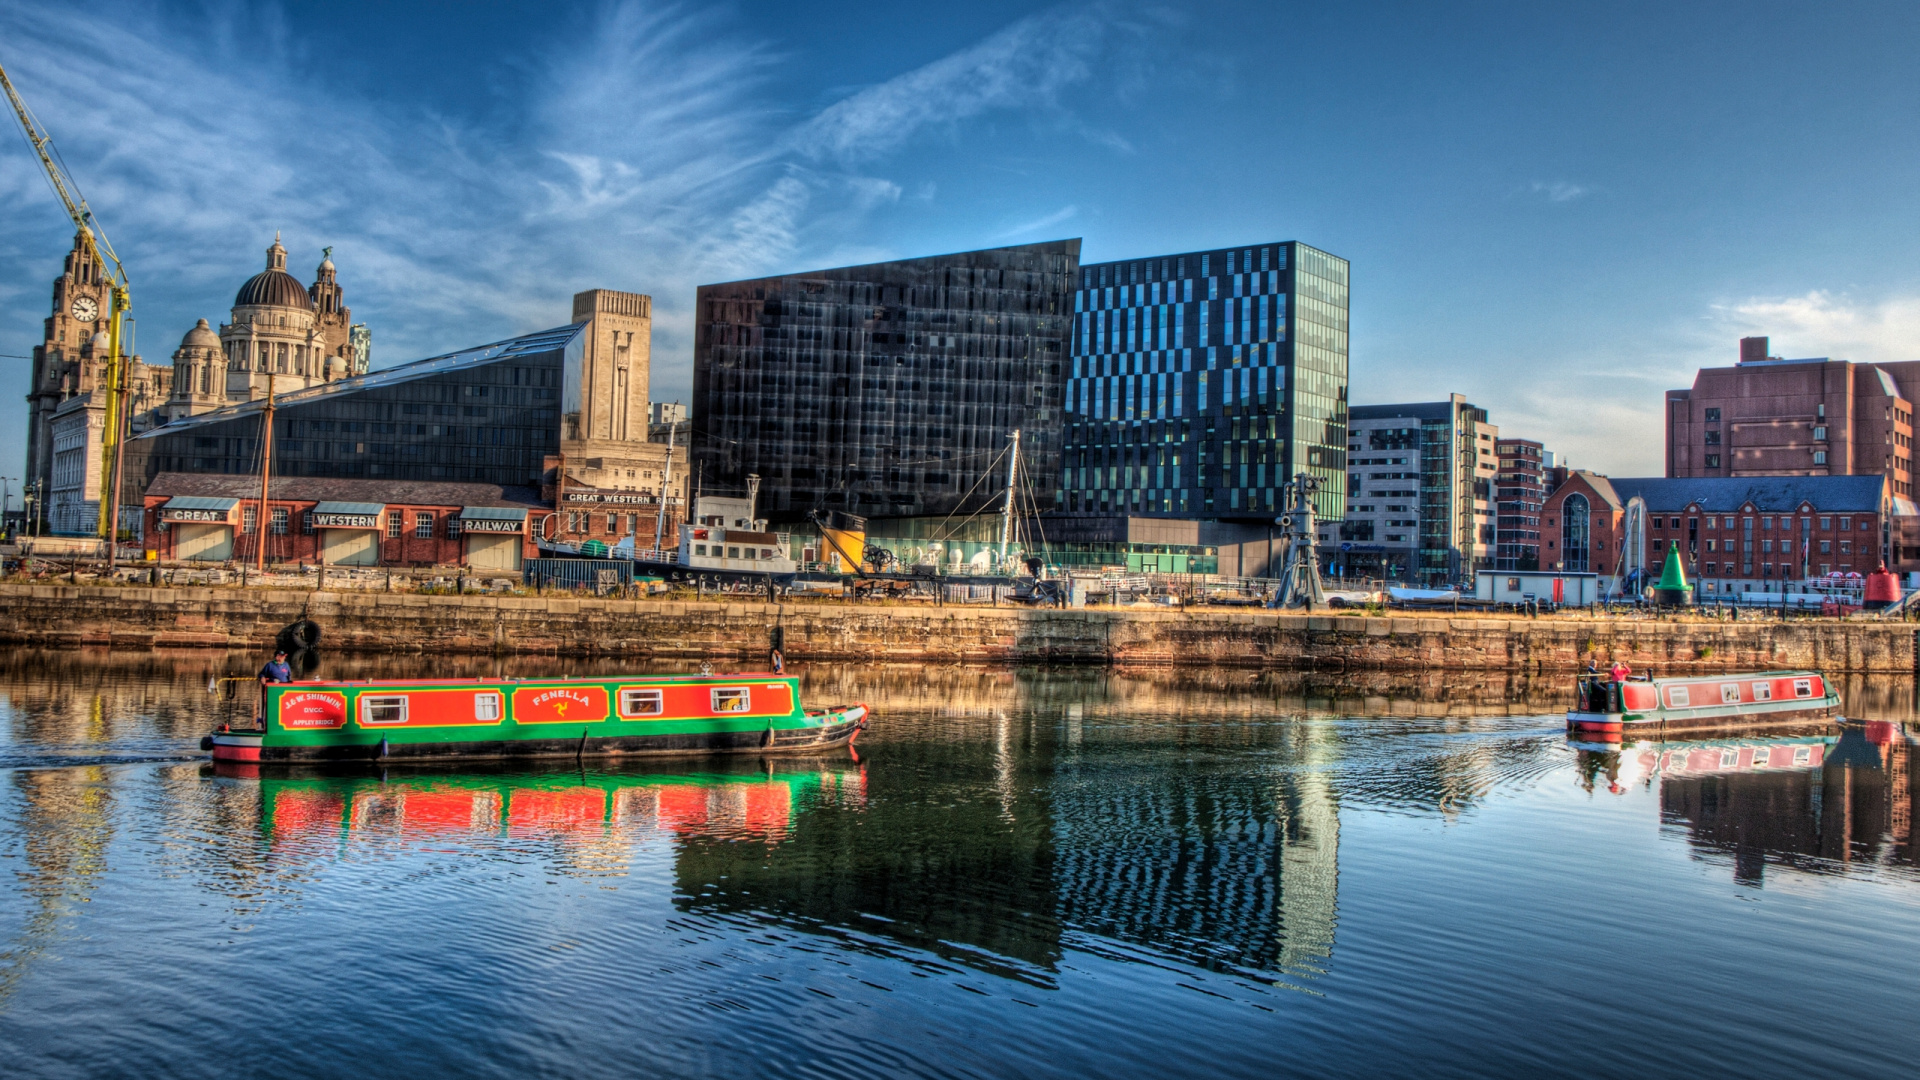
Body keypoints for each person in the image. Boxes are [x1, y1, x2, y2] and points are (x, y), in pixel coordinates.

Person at [256, 649, 292, 730]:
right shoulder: (269, 665)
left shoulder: (286, 665)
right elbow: (261, 673)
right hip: (273, 691)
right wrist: (262, 677)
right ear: (277, 657)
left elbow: (289, 677)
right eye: (282, 656)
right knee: (272, 709)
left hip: (284, 691)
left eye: (284, 657)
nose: (284, 658)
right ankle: (268, 726)